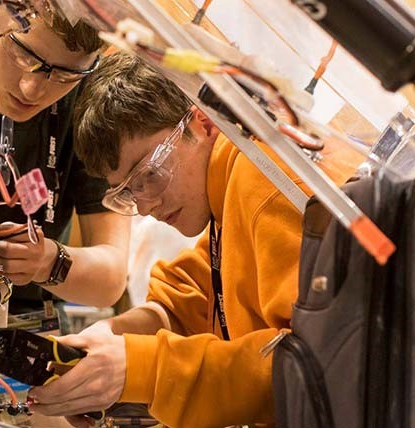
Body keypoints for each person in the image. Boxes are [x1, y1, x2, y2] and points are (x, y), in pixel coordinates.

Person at [29, 53, 346, 427]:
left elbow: (315, 364)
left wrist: (141, 369)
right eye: (128, 193)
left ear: (203, 120)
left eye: (149, 173)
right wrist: (115, 335)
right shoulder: (230, 181)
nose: (146, 205)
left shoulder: (265, 183)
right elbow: (193, 296)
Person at [0, 13, 131, 312]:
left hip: (27, 327)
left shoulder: (92, 106)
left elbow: (111, 280)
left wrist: (49, 261)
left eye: (64, 74)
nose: (31, 89)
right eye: (21, 53)